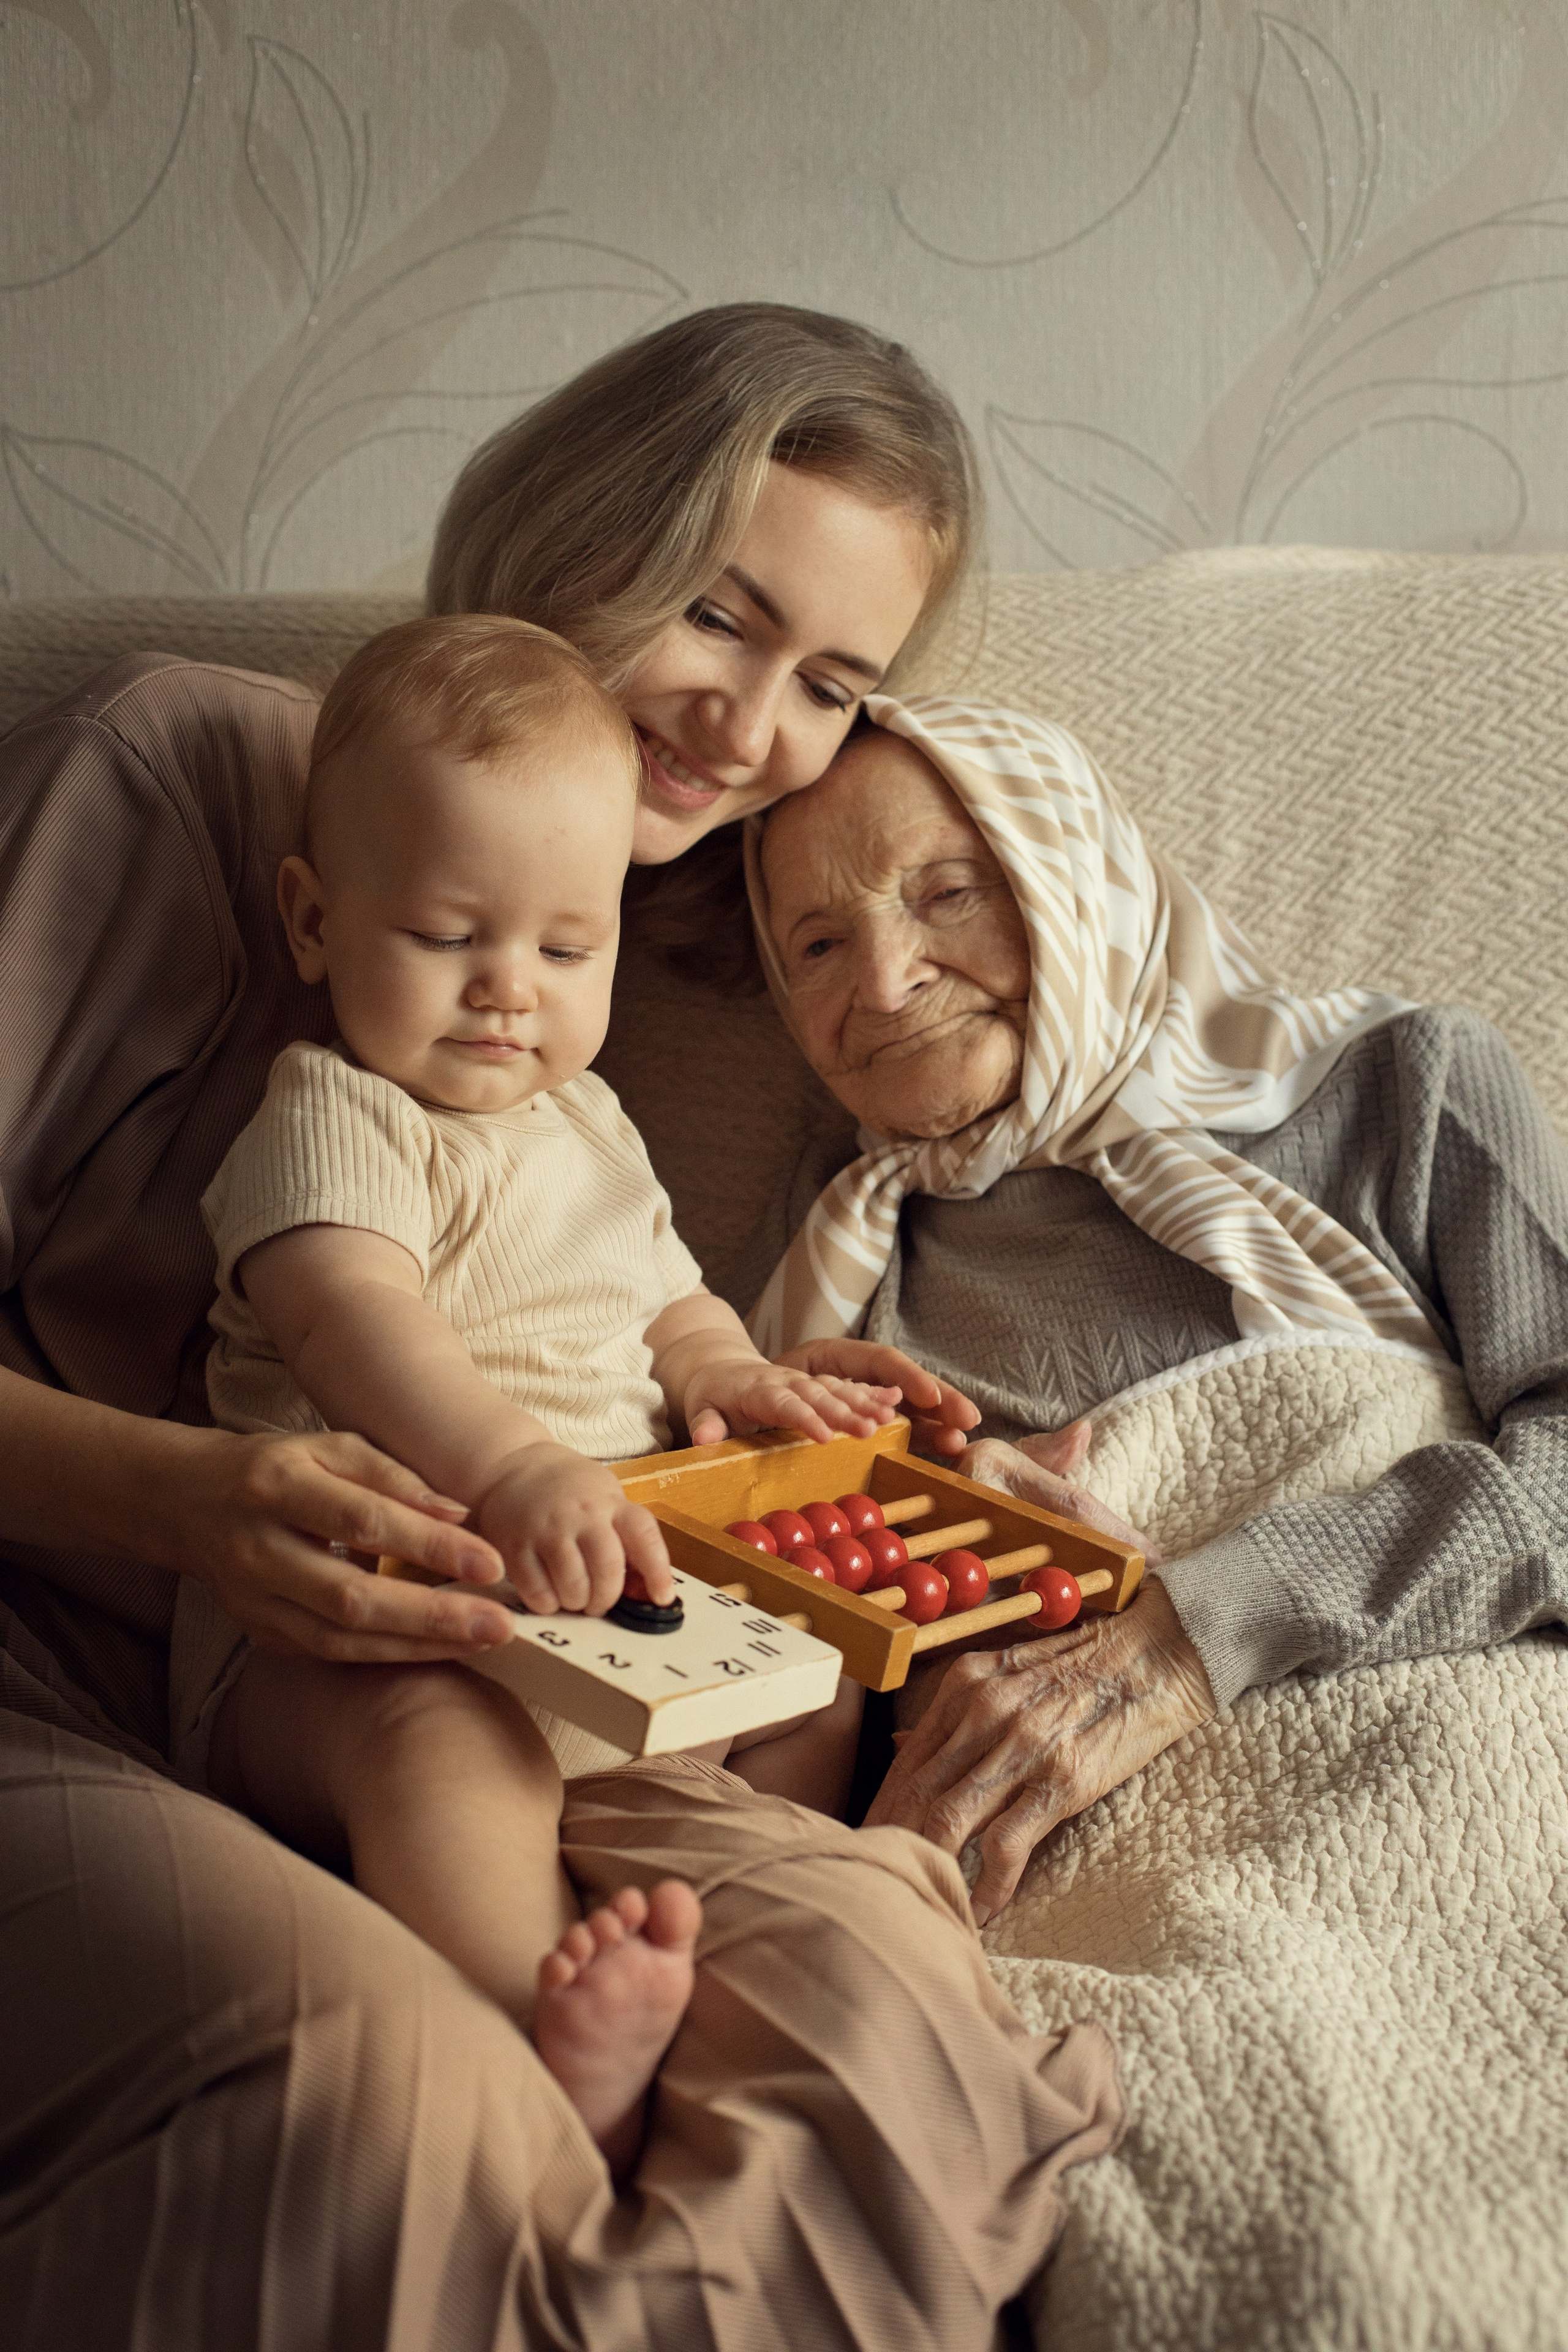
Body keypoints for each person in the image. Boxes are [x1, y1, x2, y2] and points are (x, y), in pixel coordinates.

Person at [6, 307, 1116, 2345]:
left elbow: (639, 1335)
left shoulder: (687, 962)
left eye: (835, 683)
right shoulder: (186, 772)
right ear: (589, 525)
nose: (753, 726)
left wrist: (765, 1404)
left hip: (530, 1654)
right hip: (96, 1665)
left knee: (882, 1991)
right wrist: (210, 1503)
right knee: (415, 2104)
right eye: (720, 610)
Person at [182, 611, 908, 2177]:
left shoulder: (589, 1123)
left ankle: (769, 1875)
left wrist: (733, 1377)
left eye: (566, 950)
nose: (509, 991)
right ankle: (538, 2032)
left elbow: (669, 1297)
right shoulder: (337, 1111)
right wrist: (506, 1465)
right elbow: (348, 1319)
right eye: (450, 937)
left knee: (819, 1669)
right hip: (359, 1619)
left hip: (609, 1611)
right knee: (450, 1748)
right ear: (314, 921)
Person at [745, 695, 1568, 1923]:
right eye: (812, 945)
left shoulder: (1400, 1085)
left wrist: (1196, 1626)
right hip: (1053, 1892)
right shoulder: (823, 1263)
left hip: (1433, 1798)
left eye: (947, 892)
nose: (882, 979)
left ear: (1067, 874)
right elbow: (771, 1710)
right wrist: (921, 1550)